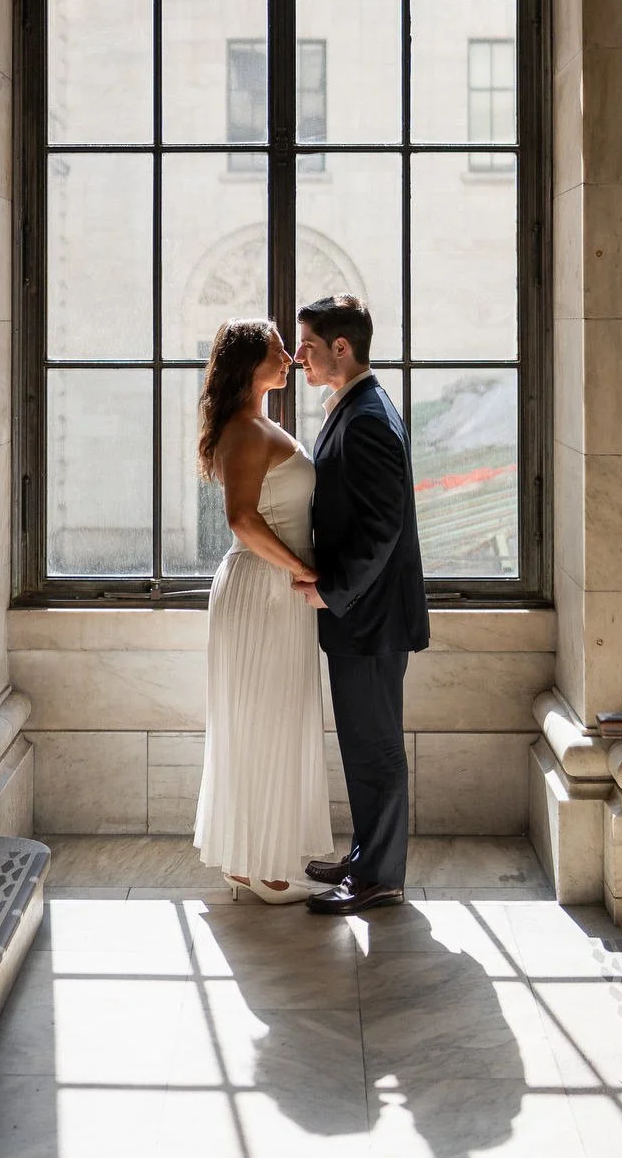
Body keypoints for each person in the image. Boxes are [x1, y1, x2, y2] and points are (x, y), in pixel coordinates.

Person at [292, 295, 429, 914]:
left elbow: (382, 528)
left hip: (370, 620)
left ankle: (380, 875)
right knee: (361, 742)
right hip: (362, 619)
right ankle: (365, 854)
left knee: (376, 747)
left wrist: (331, 590)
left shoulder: (370, 417)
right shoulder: (356, 406)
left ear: (340, 348)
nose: (300, 359)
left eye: (309, 347)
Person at [193, 319, 333, 902]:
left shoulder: (252, 424)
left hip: (268, 589)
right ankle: (268, 871)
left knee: (262, 719)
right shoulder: (247, 430)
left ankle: (248, 863)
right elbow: (242, 519)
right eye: (279, 351)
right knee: (266, 719)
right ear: (252, 364)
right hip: (265, 589)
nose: (291, 359)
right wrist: (300, 568)